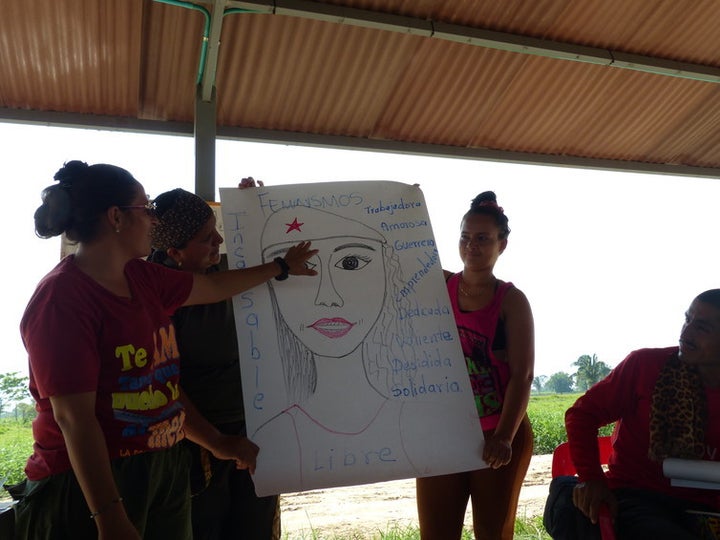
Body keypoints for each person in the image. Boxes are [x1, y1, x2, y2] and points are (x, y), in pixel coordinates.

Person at [16, 161, 317, 540]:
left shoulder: (142, 279)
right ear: (116, 218)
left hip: (161, 465)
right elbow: (74, 420)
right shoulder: (61, 299)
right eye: (147, 210)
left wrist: (280, 267)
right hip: (88, 482)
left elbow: (214, 288)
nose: (154, 222)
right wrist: (108, 516)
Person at [250, 204, 424, 494]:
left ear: (388, 271)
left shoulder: (427, 423)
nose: (328, 298)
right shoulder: (272, 438)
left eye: (351, 263)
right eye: (294, 271)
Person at [148, 180, 280, 540]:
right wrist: (215, 441)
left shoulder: (226, 271)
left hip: (250, 433)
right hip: (194, 445)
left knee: (254, 527)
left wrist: (257, 208)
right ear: (174, 251)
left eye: (217, 232)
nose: (219, 243)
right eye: (208, 238)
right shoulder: (152, 296)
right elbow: (163, 386)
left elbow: (279, 252)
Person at [552, 289, 720, 540]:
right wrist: (592, 479)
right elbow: (582, 414)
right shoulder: (645, 366)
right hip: (637, 498)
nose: (686, 332)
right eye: (687, 320)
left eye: (702, 328)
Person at [416, 191, 535, 540]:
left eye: (483, 238)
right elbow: (384, 257)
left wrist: (503, 437)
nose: (472, 246)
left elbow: (522, 376)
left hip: (497, 435)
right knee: (436, 533)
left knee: (491, 533)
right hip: (443, 435)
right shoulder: (438, 285)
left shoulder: (512, 301)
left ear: (503, 244)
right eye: (465, 237)